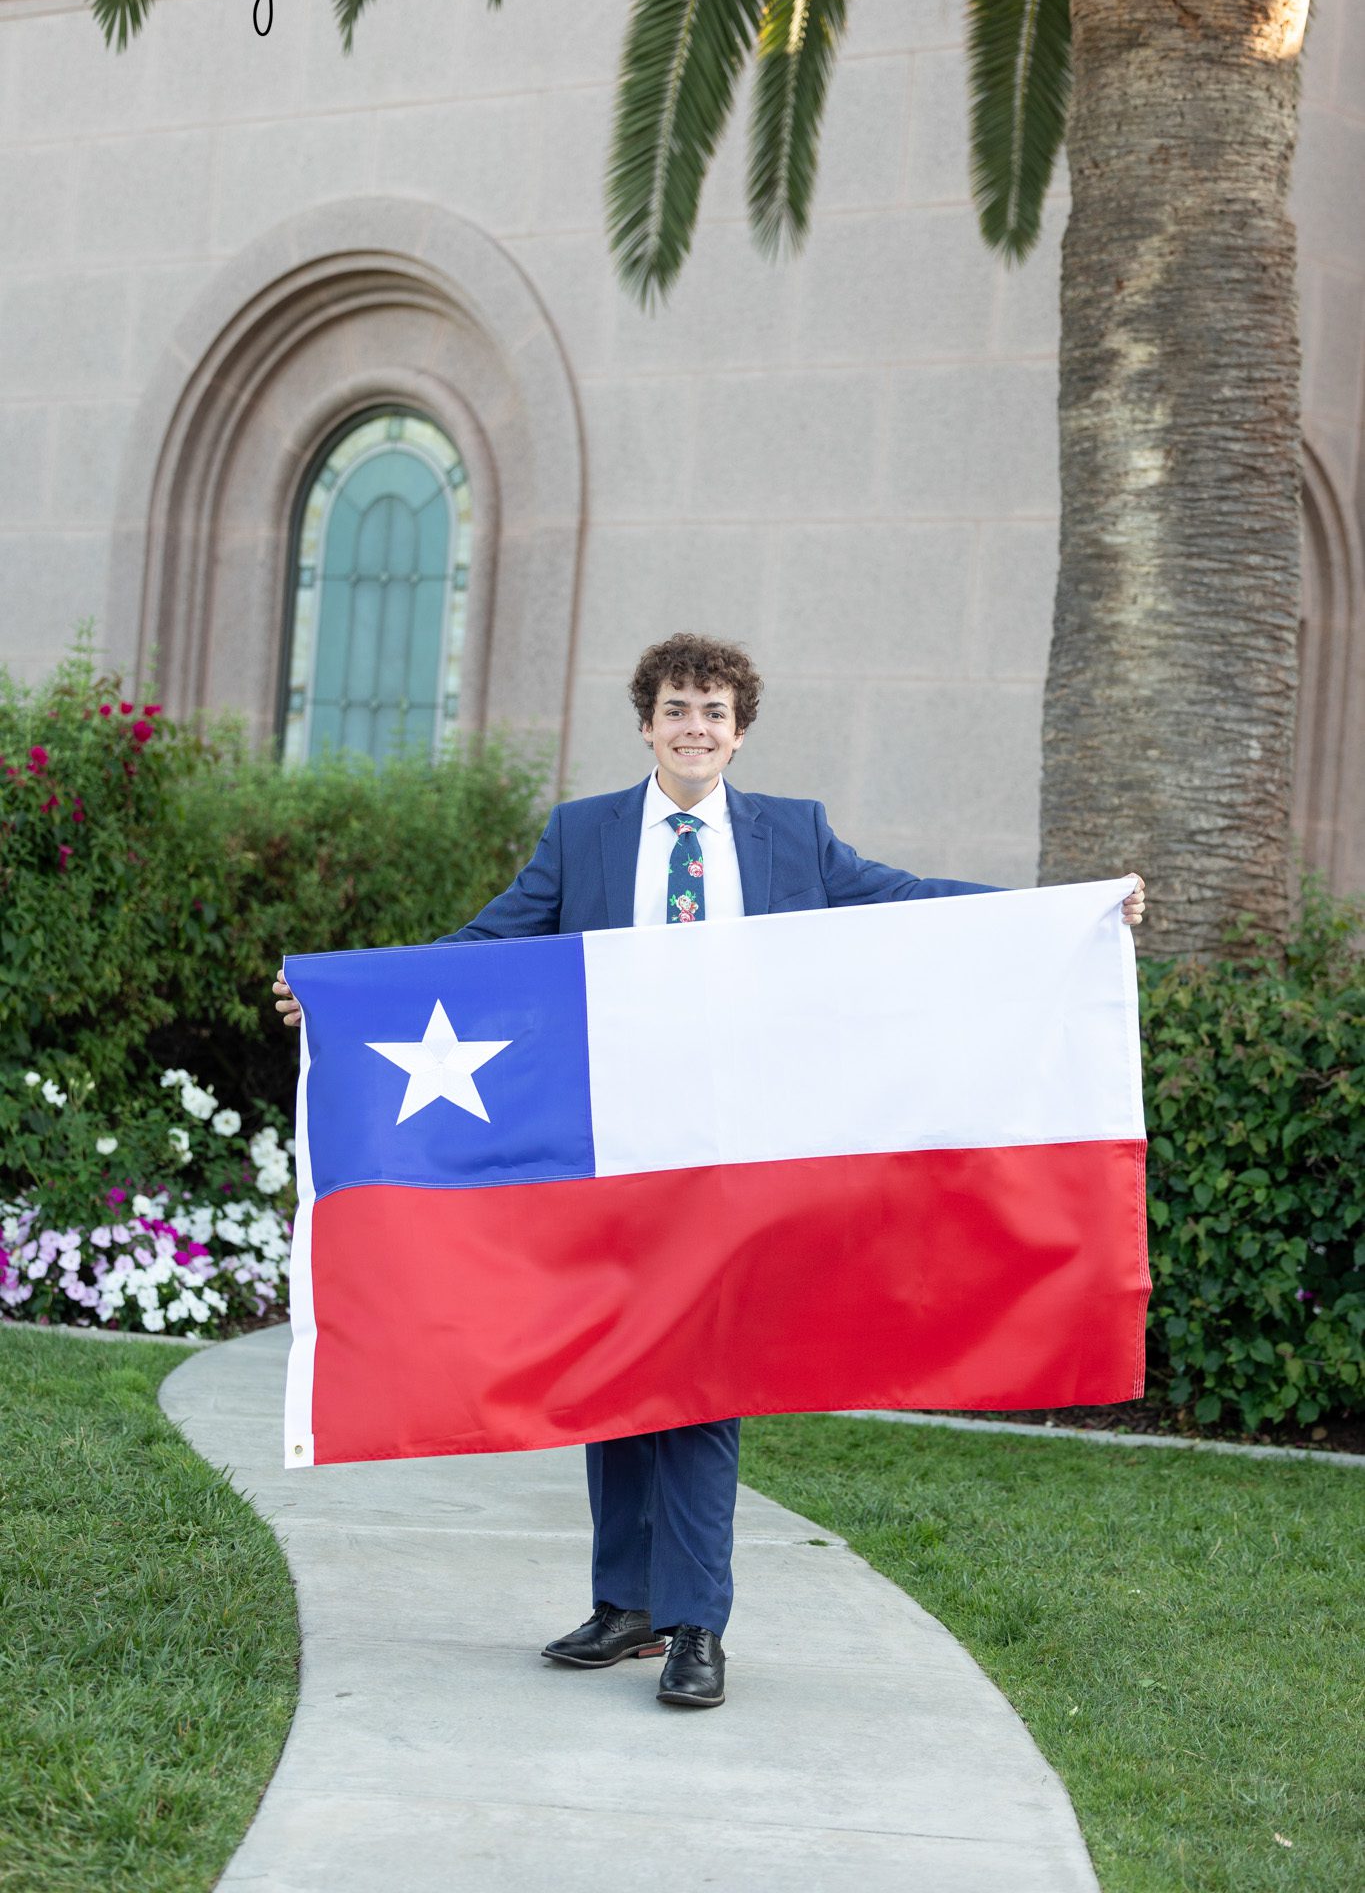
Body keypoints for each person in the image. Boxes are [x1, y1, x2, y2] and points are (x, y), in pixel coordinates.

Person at [274, 631, 1146, 1710]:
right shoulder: (583, 834)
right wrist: (347, 998)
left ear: (740, 733)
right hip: (615, 1155)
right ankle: (626, 1603)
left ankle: (696, 1624)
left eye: (715, 712)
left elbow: (907, 898)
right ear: (647, 725)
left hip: (738, 1158)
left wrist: (1068, 910)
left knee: (702, 1380)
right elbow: (489, 944)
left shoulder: (794, 835)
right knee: (609, 1369)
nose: (695, 728)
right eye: (677, 709)